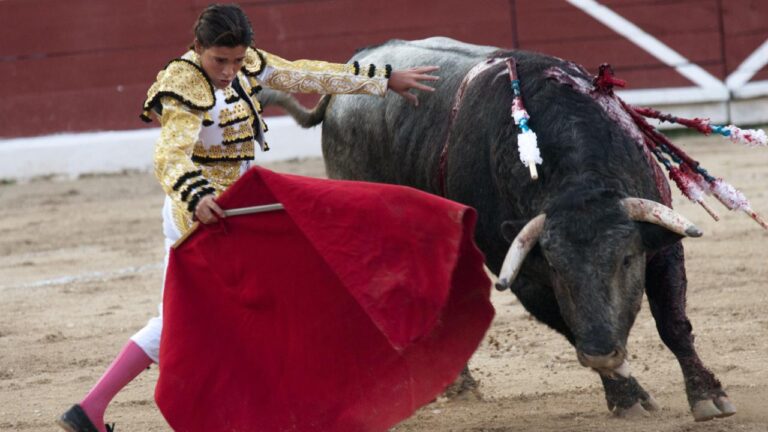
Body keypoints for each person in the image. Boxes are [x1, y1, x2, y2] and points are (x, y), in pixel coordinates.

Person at [56, 4, 438, 431]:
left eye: (237, 61)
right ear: (197, 47)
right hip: (202, 218)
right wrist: (197, 195)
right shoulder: (183, 83)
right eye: (220, 60)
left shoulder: (247, 64)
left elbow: (303, 74)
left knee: (207, 318)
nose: (229, 71)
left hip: (239, 211)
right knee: (220, 316)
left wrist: (381, 79)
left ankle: (92, 409)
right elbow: (169, 155)